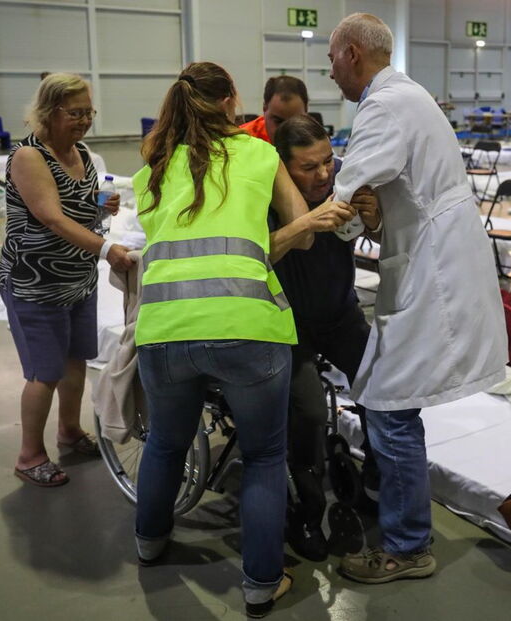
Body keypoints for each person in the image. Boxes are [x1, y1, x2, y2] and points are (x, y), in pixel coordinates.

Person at [131, 62, 355, 618]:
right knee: (261, 457)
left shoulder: (151, 172)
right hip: (247, 329)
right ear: (233, 101)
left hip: (164, 330)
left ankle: (149, 542)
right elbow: (302, 232)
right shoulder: (259, 156)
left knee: (163, 443)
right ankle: (259, 585)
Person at [327, 14, 508, 583]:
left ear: (353, 53)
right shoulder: (409, 96)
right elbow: (387, 192)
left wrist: (315, 219)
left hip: (437, 270)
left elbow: (346, 192)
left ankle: (407, 546)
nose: (330, 73)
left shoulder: (382, 107)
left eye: (332, 60)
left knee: (389, 404)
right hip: (434, 258)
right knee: (387, 400)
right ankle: (396, 513)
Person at [0, 73, 135, 487]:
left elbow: (78, 209)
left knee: (75, 363)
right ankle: (29, 455)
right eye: (75, 113)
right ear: (48, 111)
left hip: (76, 279)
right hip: (33, 283)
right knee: (45, 372)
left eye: (88, 112)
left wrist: (101, 207)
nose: (84, 121)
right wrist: (106, 249)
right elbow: (51, 217)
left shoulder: (82, 152)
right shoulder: (29, 157)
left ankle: (70, 431)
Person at [270, 114, 381, 562]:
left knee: (386, 384)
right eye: (308, 167)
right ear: (282, 166)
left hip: (339, 316)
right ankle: (306, 512)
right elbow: (251, 255)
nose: (322, 175)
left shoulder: (343, 190)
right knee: (310, 413)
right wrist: (305, 223)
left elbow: (379, 236)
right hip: (286, 326)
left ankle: (374, 479)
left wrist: (374, 221)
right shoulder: (265, 202)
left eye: (327, 162)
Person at [240, 75, 309, 144]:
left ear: (306, 112)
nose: (287, 132)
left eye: (295, 122)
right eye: (278, 122)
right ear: (264, 109)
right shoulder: (242, 140)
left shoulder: (316, 141)